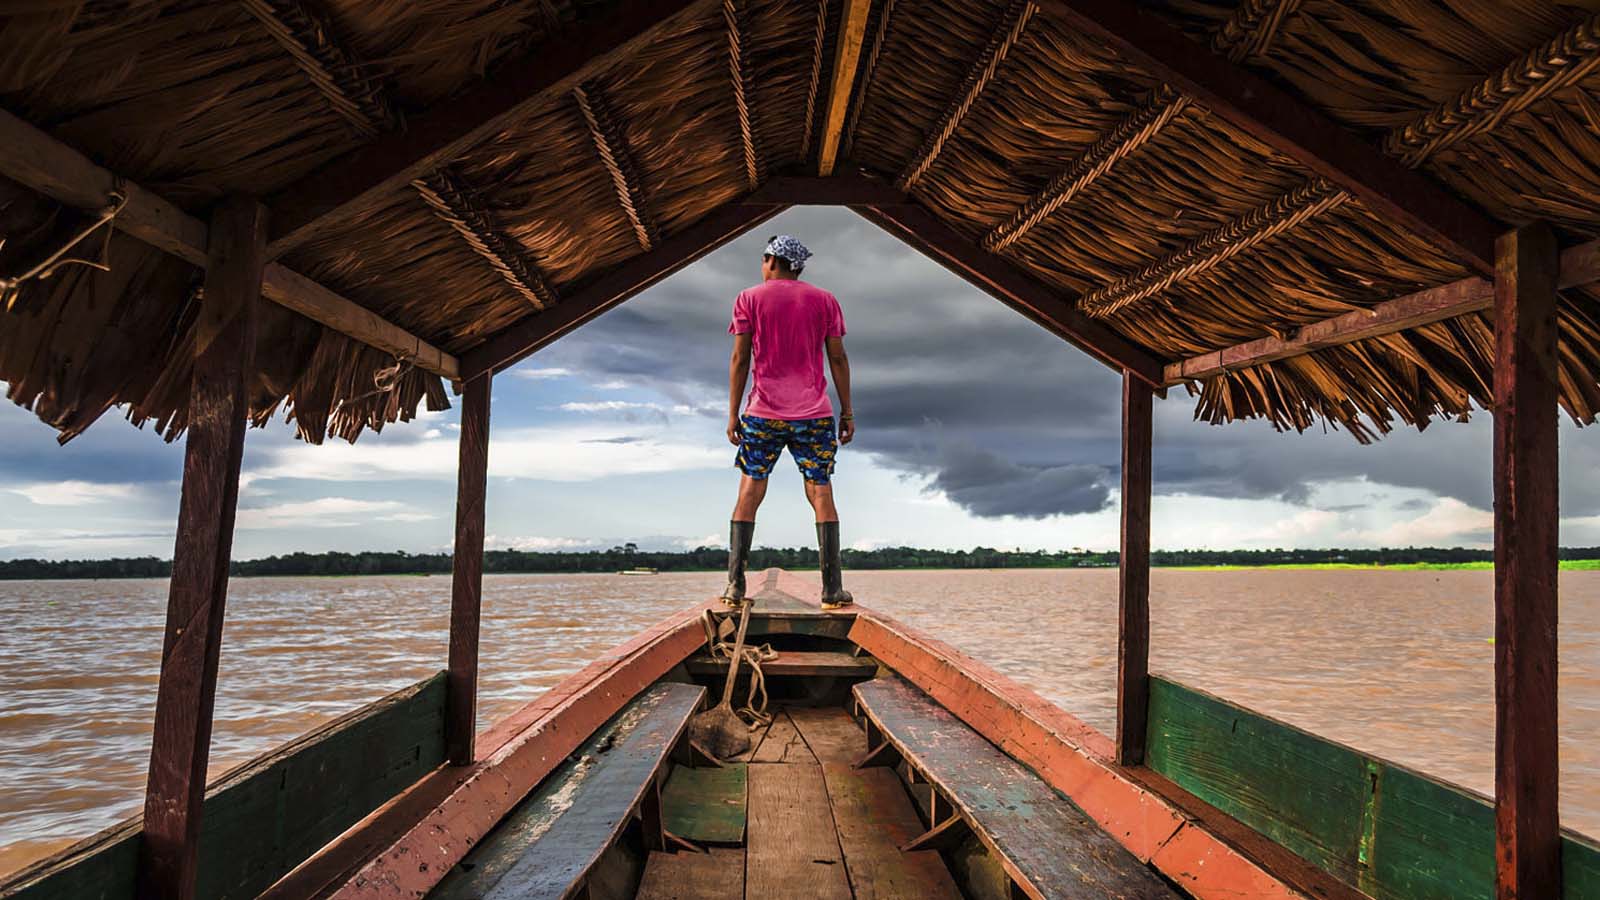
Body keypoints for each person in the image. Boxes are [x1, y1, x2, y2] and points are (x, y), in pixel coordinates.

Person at [721, 235, 854, 609]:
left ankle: (735, 587)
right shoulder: (825, 300)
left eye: (763, 260)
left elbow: (739, 360)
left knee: (749, 491)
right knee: (821, 491)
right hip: (814, 413)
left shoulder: (748, 298)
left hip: (762, 413)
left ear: (771, 260)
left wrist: (733, 414)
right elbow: (838, 359)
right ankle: (831, 590)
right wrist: (847, 411)